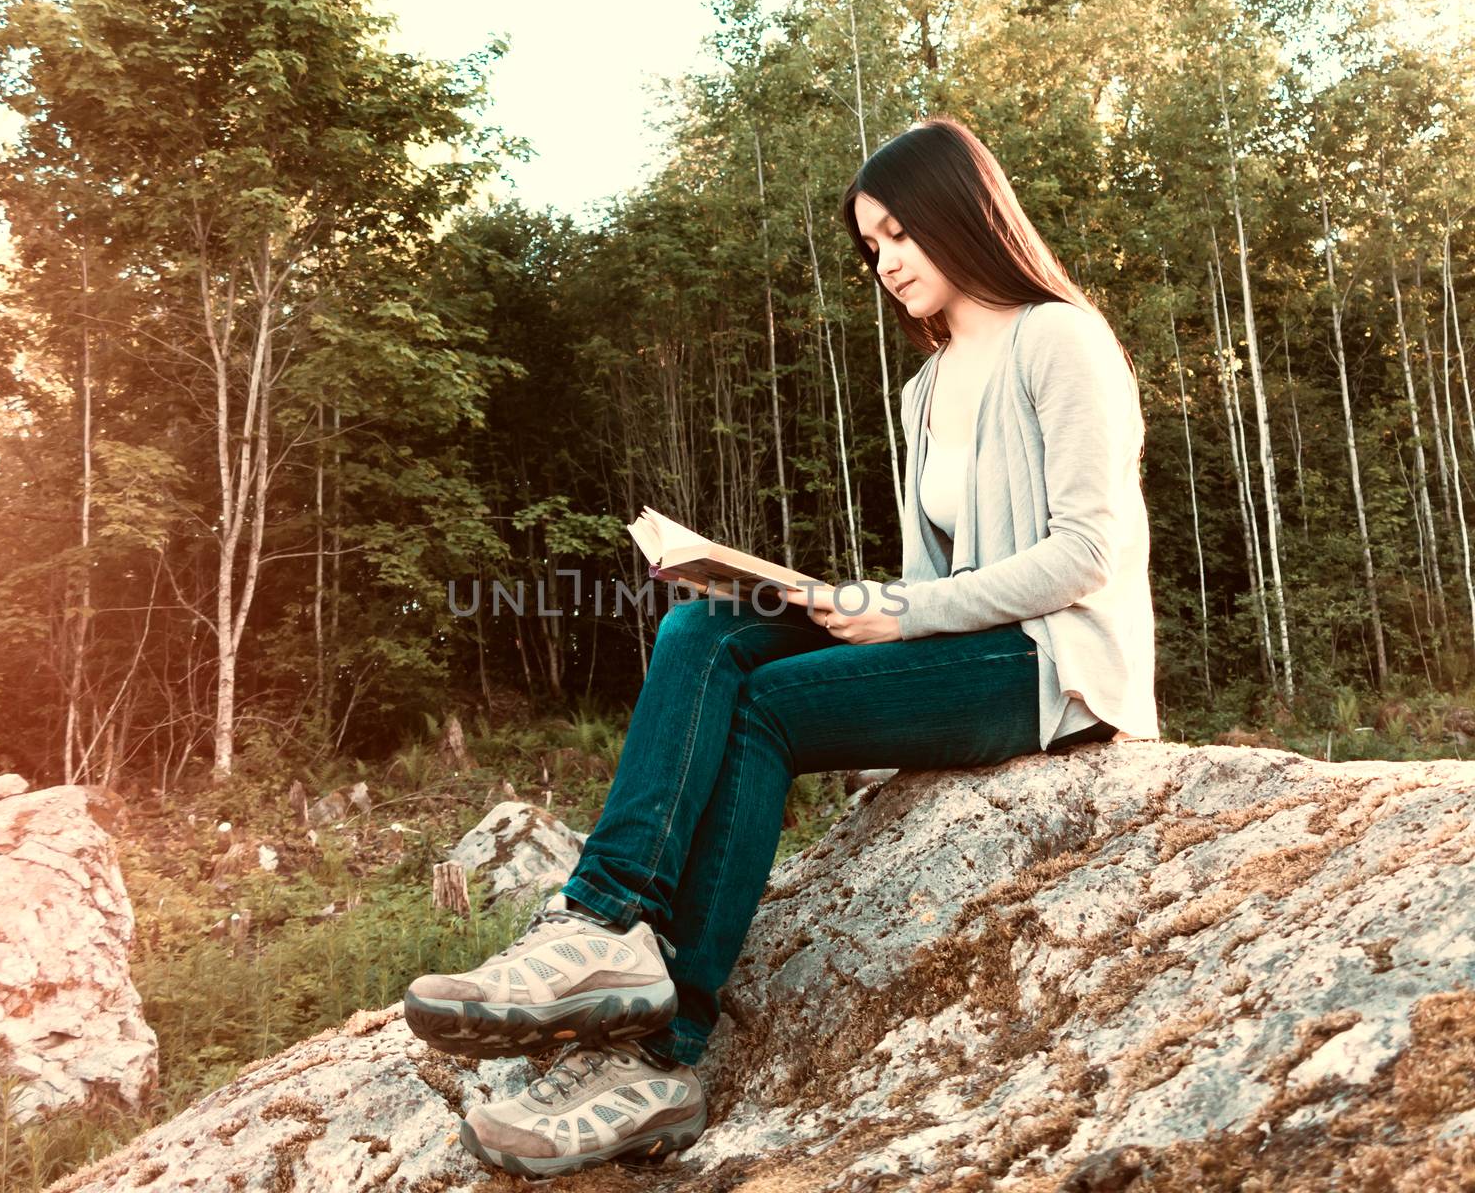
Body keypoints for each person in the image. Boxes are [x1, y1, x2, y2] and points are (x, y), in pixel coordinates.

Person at [401, 114, 1157, 1178]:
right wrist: (844, 608)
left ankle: (665, 1049)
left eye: (899, 233)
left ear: (962, 216)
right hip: (962, 647)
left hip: (1052, 667)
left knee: (771, 708)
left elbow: (1087, 552)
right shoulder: (926, 388)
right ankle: (603, 926)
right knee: (706, 623)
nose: (885, 262)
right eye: (871, 246)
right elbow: (930, 580)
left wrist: (894, 612)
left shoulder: (1059, 338)